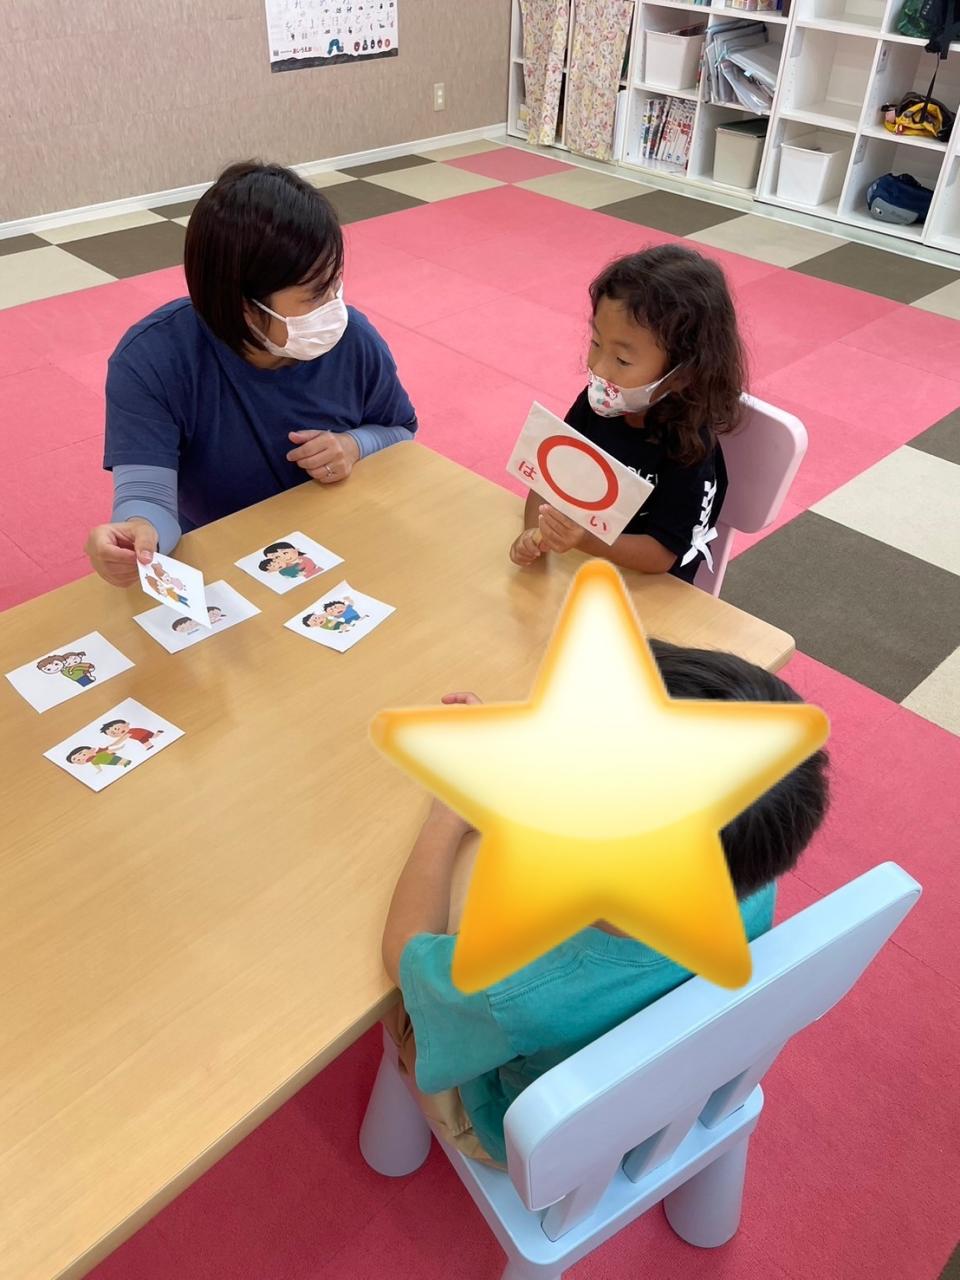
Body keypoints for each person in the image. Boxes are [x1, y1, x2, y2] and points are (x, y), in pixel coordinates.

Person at [380, 642, 830, 1168]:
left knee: (373, 1001)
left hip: (529, 1134)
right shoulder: (743, 861)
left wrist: (447, 816)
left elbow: (402, 953)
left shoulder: (516, 983)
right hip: (673, 1094)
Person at [85, 161, 417, 587]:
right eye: (315, 294)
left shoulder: (354, 340)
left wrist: (355, 445)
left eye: (336, 281)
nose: (335, 304)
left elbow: (401, 431)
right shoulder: (152, 360)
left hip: (341, 536)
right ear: (245, 307)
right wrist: (139, 534)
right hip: (225, 555)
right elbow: (148, 499)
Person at [510, 246, 745, 584]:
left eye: (622, 360)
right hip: (582, 566)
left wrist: (584, 539)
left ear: (682, 374)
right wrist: (534, 534)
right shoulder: (597, 404)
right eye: (596, 343)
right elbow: (548, 481)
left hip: (653, 590)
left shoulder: (689, 444)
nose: (599, 368)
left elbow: (661, 554)